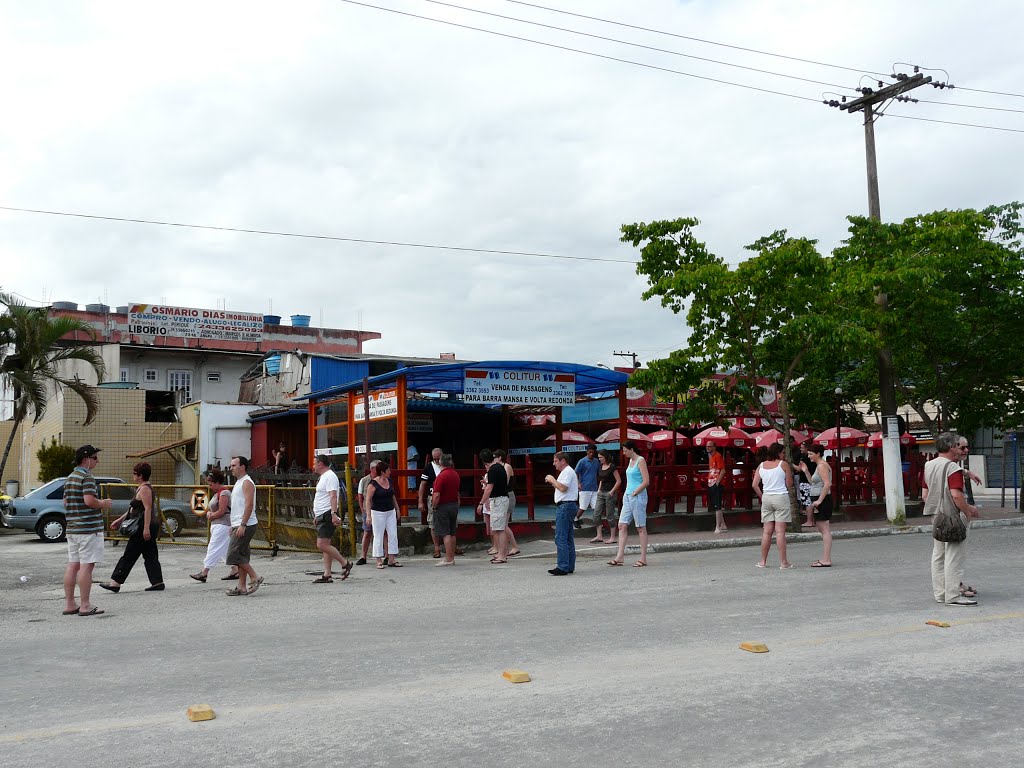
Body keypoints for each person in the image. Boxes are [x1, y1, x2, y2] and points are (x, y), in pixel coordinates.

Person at [924, 432, 980, 606]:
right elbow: (956, 494)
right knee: (954, 557)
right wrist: (967, 511)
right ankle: (953, 596)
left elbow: (924, 495)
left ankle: (940, 594)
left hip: (936, 516)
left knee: (938, 555)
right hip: (953, 517)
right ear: (951, 447)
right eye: (958, 446)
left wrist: (966, 472)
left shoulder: (928, 465)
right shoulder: (953, 468)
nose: (959, 449)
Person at [62, 445, 115, 617]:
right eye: (95, 457)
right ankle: (85, 605)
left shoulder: (70, 478)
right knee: (86, 566)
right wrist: (103, 503)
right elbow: (89, 501)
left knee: (73, 565)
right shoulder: (87, 477)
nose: (97, 461)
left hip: (73, 528)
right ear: (86, 459)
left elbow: (65, 503)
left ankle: (70, 604)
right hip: (88, 529)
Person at [100, 462, 164, 593]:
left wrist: (146, 528)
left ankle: (115, 582)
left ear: (140, 475)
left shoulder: (145, 489)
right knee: (150, 554)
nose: (133, 475)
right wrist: (119, 520)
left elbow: (147, 509)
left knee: (129, 554)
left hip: (142, 527)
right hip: (145, 525)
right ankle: (157, 582)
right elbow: (133, 509)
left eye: (135, 473)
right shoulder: (140, 488)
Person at [190, 469, 238, 582]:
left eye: (211, 484)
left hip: (223, 525)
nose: (210, 486)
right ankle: (235, 569)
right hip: (219, 525)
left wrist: (211, 515)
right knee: (223, 550)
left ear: (217, 482)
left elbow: (222, 511)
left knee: (213, 547)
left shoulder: (224, 493)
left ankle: (204, 572)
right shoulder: (218, 493)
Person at [311, 455, 353, 583]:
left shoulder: (330, 476)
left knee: (322, 544)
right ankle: (327, 574)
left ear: (321, 464)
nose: (313, 466)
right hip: (322, 514)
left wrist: (334, 513)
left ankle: (344, 563)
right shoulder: (324, 477)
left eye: (314, 463)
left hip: (327, 513)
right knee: (326, 544)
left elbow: (333, 496)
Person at [609, 440, 650, 567]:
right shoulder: (630, 462)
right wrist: (628, 493)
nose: (624, 453)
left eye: (626, 450)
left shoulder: (640, 460)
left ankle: (643, 558)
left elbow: (646, 481)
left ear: (632, 449)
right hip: (628, 495)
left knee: (640, 527)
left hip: (637, 495)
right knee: (622, 525)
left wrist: (635, 492)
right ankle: (620, 556)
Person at [226, 456, 263, 595]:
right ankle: (241, 586)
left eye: (234, 465)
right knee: (241, 555)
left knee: (233, 555)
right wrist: (233, 524)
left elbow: (249, 505)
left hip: (246, 524)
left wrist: (242, 524)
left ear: (242, 467)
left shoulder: (247, 482)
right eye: (231, 466)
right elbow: (237, 506)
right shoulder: (239, 482)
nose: (231, 468)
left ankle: (255, 577)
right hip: (238, 523)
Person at [753, 443, 793, 569]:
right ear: (778, 453)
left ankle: (763, 561)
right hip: (780, 496)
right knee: (780, 531)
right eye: (782, 452)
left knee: (767, 531)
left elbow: (754, 484)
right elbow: (790, 484)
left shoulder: (762, 465)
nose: (783, 455)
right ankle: (783, 562)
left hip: (767, 497)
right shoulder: (783, 464)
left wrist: (762, 496)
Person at [544, 451, 578, 575]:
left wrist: (552, 480)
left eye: (556, 461)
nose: (554, 464)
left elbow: (563, 488)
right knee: (568, 537)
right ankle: (569, 565)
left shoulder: (567, 472)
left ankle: (563, 566)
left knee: (561, 537)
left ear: (563, 461)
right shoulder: (567, 472)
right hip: (568, 505)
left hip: (565, 505)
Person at [800, 444, 833, 567]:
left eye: (810, 454)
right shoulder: (819, 466)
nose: (809, 456)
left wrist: (819, 500)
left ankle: (826, 559)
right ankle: (825, 558)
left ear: (818, 453)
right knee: (822, 528)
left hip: (822, 500)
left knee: (824, 529)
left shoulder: (822, 466)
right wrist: (806, 471)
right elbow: (813, 483)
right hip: (818, 498)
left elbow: (827, 484)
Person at [366, 460, 401, 568]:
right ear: (382, 472)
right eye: (388, 470)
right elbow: (368, 500)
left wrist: (397, 509)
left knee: (393, 534)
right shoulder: (373, 484)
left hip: (390, 511)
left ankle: (391, 558)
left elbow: (392, 496)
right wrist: (368, 515)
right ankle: (378, 559)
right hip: (377, 512)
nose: (390, 472)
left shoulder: (389, 481)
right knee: (378, 535)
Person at [478, 448, 510, 564]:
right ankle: (502, 553)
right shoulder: (500, 467)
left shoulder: (492, 470)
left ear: (483, 461)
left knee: (499, 529)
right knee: (498, 528)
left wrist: (481, 503)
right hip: (502, 498)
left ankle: (502, 555)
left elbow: (489, 489)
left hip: (498, 500)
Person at [431, 453, 461, 566]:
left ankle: (448, 558)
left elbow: (437, 495)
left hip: (443, 506)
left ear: (440, 462)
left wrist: (434, 506)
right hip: (453, 504)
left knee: (445, 533)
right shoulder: (455, 474)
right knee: (452, 532)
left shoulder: (441, 476)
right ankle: (451, 556)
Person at [493, 449, 520, 557]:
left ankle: (514, 546)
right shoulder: (497, 468)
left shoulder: (506, 466)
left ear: (499, 457)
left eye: (495, 457)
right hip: (501, 495)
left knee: (504, 524)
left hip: (508, 494)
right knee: (502, 524)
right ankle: (506, 547)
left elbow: (505, 482)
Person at [418, 448, 444, 558]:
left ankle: (451, 546)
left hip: (446, 497)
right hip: (432, 496)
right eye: (435, 459)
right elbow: (423, 484)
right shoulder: (429, 467)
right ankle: (437, 548)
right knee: (432, 523)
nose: (437, 461)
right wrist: (420, 501)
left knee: (449, 523)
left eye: (439, 458)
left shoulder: (448, 465)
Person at [591, 449, 621, 544]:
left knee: (610, 515)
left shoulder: (612, 467)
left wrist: (612, 491)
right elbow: (601, 479)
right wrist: (599, 490)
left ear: (606, 457)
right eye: (599, 457)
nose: (599, 459)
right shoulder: (600, 466)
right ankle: (599, 536)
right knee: (596, 514)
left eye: (601, 457)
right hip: (601, 492)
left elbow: (618, 481)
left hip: (610, 493)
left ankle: (613, 537)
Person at [356, 459, 381, 565]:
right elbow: (360, 496)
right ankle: (363, 556)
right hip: (368, 510)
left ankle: (386, 556)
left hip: (380, 509)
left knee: (383, 533)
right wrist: (363, 511)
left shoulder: (383, 479)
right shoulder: (364, 480)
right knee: (367, 532)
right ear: (372, 469)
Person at [573, 445, 600, 529]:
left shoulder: (596, 461)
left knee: (596, 508)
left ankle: (599, 525)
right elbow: (575, 473)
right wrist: (578, 483)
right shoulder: (582, 461)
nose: (591, 454)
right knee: (583, 507)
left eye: (593, 452)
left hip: (594, 488)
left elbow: (599, 473)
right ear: (587, 452)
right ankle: (576, 519)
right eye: (590, 452)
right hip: (584, 488)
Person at [706, 442, 727, 533]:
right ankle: (723, 524)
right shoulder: (711, 457)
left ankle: (718, 526)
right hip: (712, 482)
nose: (708, 448)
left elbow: (723, 470)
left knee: (717, 505)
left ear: (714, 447)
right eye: (707, 446)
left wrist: (718, 481)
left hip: (716, 482)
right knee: (716, 504)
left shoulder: (717, 456)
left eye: (710, 446)